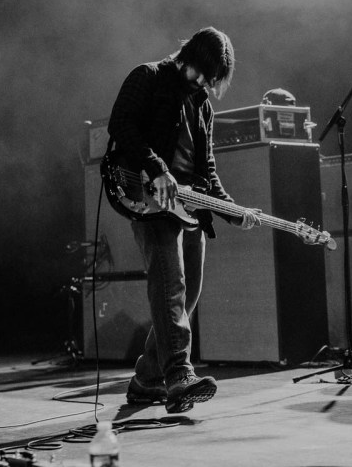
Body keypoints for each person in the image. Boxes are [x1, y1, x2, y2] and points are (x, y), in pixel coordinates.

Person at [107, 27, 261, 413]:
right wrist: (157, 169)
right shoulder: (148, 77)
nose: (204, 83)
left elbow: (207, 170)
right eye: (202, 73)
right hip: (149, 198)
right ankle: (178, 374)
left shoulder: (203, 105)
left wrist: (232, 212)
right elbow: (121, 125)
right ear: (188, 56)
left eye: (212, 79)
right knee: (170, 287)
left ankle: (147, 380)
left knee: (187, 293)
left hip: (189, 208)